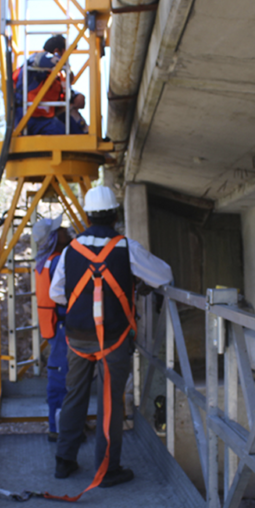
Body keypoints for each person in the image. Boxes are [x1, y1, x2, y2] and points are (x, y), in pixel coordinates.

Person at [50, 186, 173, 488]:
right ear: (116, 215)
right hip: (114, 342)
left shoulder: (71, 250)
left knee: (74, 397)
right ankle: (107, 470)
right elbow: (164, 275)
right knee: (110, 404)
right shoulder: (127, 247)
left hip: (77, 340)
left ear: (88, 215)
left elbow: (56, 293)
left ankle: (64, 462)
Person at [32, 214, 71, 442]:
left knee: (61, 375)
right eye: (60, 229)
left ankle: (63, 423)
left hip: (55, 326)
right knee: (60, 377)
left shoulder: (44, 260)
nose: (66, 229)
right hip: (62, 326)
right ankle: (58, 429)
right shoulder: (57, 261)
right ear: (54, 237)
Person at [14, 35, 68, 135]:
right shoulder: (36, 60)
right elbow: (42, 60)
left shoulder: (54, 75)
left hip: (42, 118)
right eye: (66, 53)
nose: (67, 58)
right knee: (62, 133)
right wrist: (63, 64)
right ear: (57, 51)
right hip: (27, 117)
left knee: (68, 126)